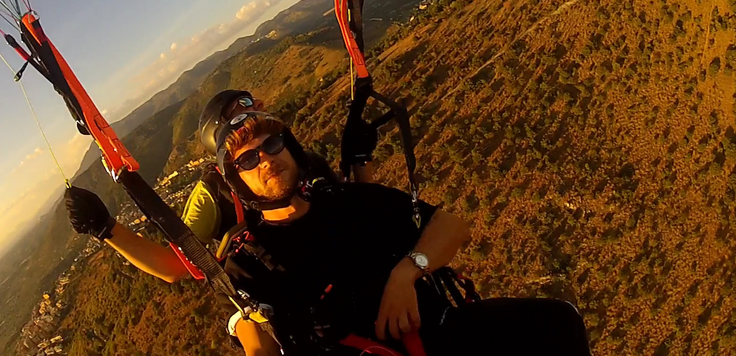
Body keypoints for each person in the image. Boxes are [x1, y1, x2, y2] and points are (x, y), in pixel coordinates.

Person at [214, 111, 592, 356]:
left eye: (272, 145)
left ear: (291, 148)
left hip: (443, 335)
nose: (266, 159)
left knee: (558, 322)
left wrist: (408, 271)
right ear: (239, 182)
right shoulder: (250, 260)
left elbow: (450, 226)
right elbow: (259, 339)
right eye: (248, 160)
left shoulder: (348, 201)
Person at [65, 89, 357, 355]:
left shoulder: (298, 161)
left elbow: (354, 209)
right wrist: (106, 229)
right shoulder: (213, 192)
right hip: (260, 294)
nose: (258, 104)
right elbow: (178, 265)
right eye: (242, 106)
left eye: (252, 101)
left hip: (327, 268)